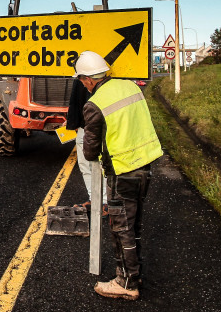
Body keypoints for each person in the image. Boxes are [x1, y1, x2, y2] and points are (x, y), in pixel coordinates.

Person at [74, 51, 164, 301]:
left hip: (122, 171)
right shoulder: (132, 88)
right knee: (133, 225)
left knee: (121, 228)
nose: (83, 84)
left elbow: (90, 151)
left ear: (89, 79)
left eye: (82, 80)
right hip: (145, 165)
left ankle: (126, 282)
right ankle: (135, 273)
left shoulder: (94, 104)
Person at [65, 77, 107, 215]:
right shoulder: (80, 77)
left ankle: (105, 202)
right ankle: (95, 199)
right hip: (85, 126)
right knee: (86, 164)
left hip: (104, 125)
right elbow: (77, 99)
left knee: (103, 164)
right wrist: (73, 121)